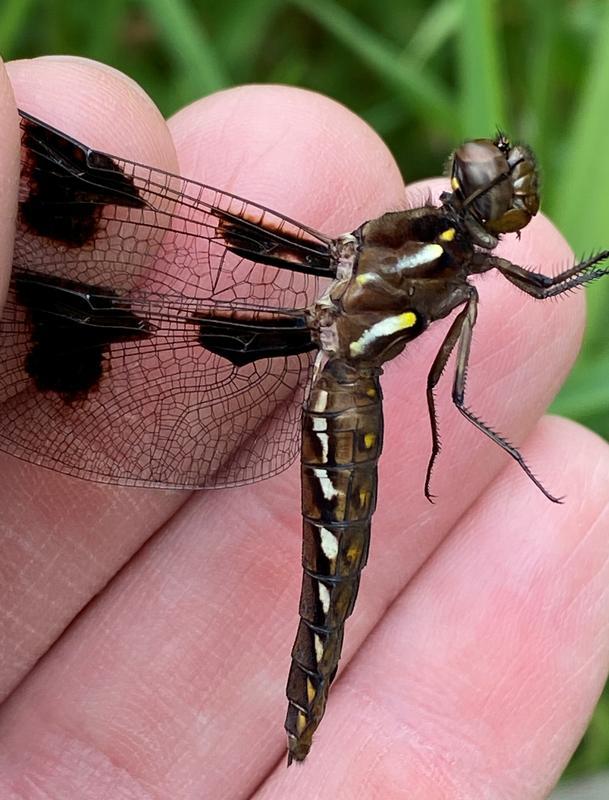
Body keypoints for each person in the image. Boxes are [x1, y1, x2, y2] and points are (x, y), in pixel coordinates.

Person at [1, 55, 608, 798]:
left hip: (344, 391)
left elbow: (531, 295)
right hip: (345, 393)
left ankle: (306, 706)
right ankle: (308, 705)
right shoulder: (457, 265)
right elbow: (534, 297)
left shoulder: (450, 263)